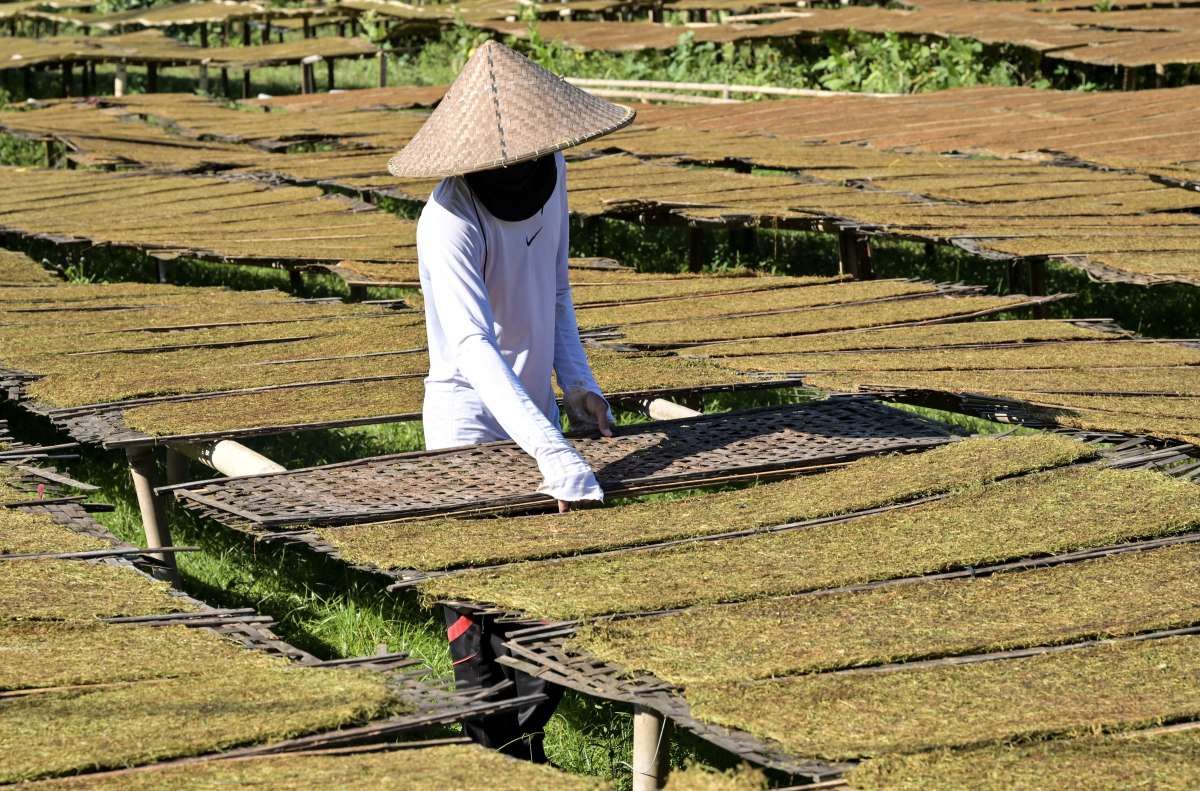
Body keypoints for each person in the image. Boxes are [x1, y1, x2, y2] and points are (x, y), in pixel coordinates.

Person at [386, 40, 635, 762]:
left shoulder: (554, 174)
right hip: (468, 423)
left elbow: (555, 292)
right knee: (478, 607)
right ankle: (500, 760)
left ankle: (529, 743)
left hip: (535, 414)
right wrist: (555, 453)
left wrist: (578, 386)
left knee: (544, 599)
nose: (523, 173)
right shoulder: (448, 223)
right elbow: (472, 349)